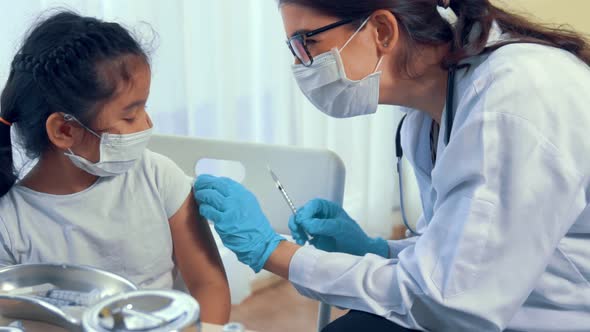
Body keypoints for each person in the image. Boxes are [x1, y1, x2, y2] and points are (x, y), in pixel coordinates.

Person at [194, 0, 590, 330]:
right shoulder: (428, 113)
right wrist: (376, 249)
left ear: (382, 30)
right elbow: (464, 249)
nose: (301, 65)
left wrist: (273, 251)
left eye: (306, 44)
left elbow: (451, 301)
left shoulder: (517, 99)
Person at [0, 11, 230, 324]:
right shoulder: (11, 223)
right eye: (130, 115)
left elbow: (209, 285)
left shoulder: (158, 178)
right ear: (64, 131)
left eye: (144, 107)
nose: (148, 124)